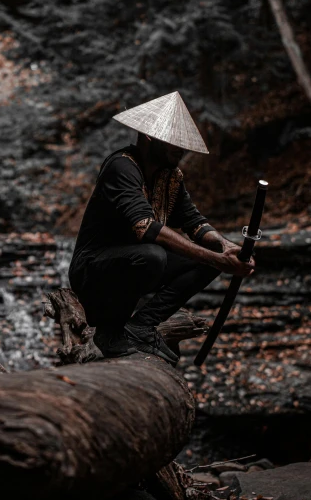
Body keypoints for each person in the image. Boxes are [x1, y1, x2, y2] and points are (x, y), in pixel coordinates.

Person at [68, 91, 254, 365]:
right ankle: (109, 333)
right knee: (153, 255)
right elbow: (146, 228)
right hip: (93, 272)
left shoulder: (171, 177)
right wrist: (218, 258)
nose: (181, 150)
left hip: (136, 264)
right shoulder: (122, 167)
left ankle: (141, 326)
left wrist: (225, 247)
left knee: (206, 259)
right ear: (150, 137)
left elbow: (194, 222)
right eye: (174, 143)